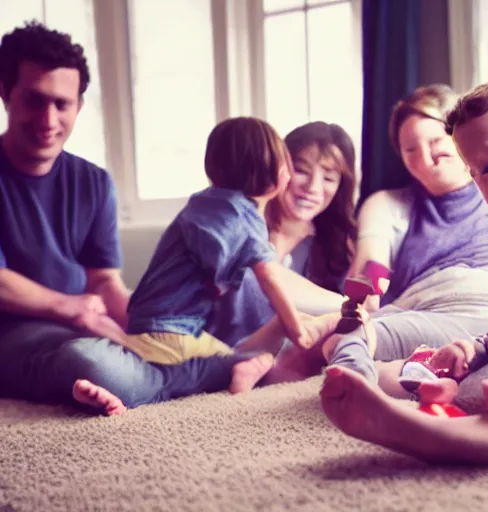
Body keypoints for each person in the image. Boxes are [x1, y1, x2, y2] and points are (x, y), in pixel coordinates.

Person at [0, 21, 298, 416]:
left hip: (88, 323)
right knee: (87, 361)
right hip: (18, 333)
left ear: (79, 105)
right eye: (34, 101)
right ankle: (193, 375)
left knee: (143, 352)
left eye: (62, 104)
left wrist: (144, 331)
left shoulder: (93, 182)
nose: (48, 119)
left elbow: (104, 281)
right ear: (5, 93)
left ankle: (159, 379)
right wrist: (71, 308)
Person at [320, 77, 488, 468]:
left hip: (475, 304)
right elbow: (371, 264)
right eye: (411, 149)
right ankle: (421, 424)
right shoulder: (392, 204)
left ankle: (427, 424)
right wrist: (478, 347)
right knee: (472, 381)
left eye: (435, 141)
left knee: (471, 385)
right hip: (428, 309)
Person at [121, 116, 339, 369]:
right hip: (175, 332)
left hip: (141, 322)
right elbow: (270, 281)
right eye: (290, 166)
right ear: (269, 172)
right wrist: (297, 330)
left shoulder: (203, 203)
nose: (290, 175)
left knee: (226, 352)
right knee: (233, 364)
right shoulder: (244, 221)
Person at [207, 121, 357, 377]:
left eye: (329, 178)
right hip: (209, 343)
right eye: (301, 170)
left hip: (276, 356)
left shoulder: (336, 244)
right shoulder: (237, 219)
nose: (313, 187)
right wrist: (348, 306)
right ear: (278, 169)